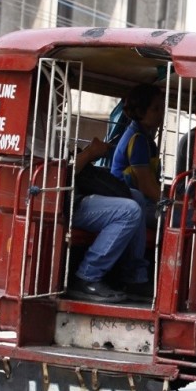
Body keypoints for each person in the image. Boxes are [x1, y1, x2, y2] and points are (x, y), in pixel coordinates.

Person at [69, 137, 152, 303]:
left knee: (137, 197)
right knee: (129, 210)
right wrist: (90, 153)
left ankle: (133, 277)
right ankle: (87, 276)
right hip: (69, 202)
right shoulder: (37, 136)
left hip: (80, 192)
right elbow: (63, 172)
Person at [110, 83, 164, 225]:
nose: (161, 113)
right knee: (185, 219)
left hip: (135, 201)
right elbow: (146, 186)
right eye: (156, 109)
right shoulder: (138, 139)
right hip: (130, 203)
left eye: (162, 108)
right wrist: (175, 202)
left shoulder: (143, 137)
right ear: (140, 112)